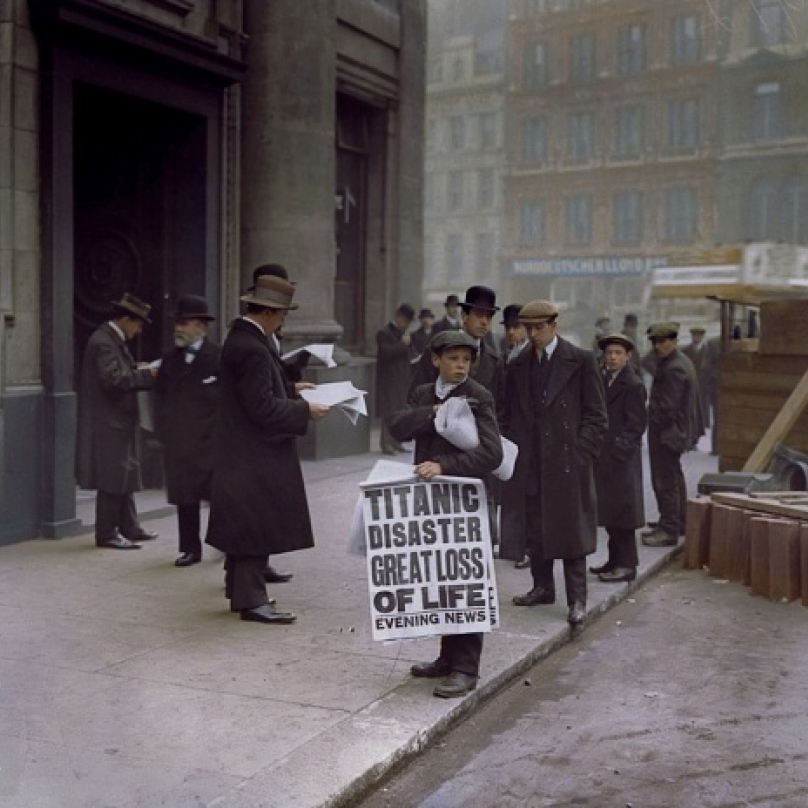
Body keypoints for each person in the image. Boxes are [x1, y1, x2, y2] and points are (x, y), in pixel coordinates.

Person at [206, 275, 330, 624]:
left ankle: (241, 592)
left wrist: (290, 387)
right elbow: (261, 408)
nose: (283, 321)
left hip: (243, 450)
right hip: (254, 453)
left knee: (247, 524)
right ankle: (252, 601)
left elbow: (256, 392)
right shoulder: (252, 347)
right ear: (270, 312)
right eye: (282, 314)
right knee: (253, 527)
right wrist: (306, 409)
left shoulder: (245, 340)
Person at [386, 330, 503, 699]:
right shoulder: (423, 393)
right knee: (440, 574)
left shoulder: (478, 397)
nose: (460, 366)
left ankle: (466, 667)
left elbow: (492, 454)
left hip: (464, 498)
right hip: (432, 501)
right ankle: (447, 657)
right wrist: (432, 413)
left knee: (465, 579)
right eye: (453, 359)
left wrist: (443, 464)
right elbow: (397, 425)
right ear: (436, 360)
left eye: (466, 360)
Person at [504, 300, 607, 625]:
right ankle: (542, 587)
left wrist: (581, 455)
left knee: (571, 532)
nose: (533, 334)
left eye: (540, 328)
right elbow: (508, 413)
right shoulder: (518, 365)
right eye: (528, 328)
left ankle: (577, 599)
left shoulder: (580, 360)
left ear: (554, 325)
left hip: (567, 462)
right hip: (532, 461)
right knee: (536, 527)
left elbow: (596, 416)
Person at [76, 292, 159, 550]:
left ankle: (128, 527)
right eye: (138, 324)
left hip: (117, 420)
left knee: (125, 474)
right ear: (125, 319)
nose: (139, 330)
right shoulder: (104, 342)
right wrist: (148, 376)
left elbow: (119, 373)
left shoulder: (110, 339)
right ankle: (107, 533)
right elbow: (114, 380)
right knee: (113, 477)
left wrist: (138, 369)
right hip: (109, 421)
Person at [154, 295, 220, 567]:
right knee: (186, 497)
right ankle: (190, 549)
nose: (178, 329)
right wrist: (162, 436)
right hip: (181, 443)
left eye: (184, 323)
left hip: (212, 442)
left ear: (201, 327)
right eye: (176, 323)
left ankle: (225, 543)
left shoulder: (219, 356)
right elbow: (161, 401)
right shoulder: (169, 360)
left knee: (220, 498)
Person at [590, 334, 647, 583]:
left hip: (622, 461)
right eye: (609, 353)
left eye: (617, 353)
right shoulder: (604, 380)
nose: (611, 357)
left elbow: (636, 425)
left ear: (628, 357)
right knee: (612, 514)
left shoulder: (632, 384)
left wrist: (618, 451)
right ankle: (614, 561)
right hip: (607, 459)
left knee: (624, 515)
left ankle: (627, 565)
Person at [641, 322, 702, 548]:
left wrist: (651, 419)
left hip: (667, 433)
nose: (658, 346)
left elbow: (667, 407)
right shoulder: (679, 361)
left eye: (663, 341)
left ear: (674, 340)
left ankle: (669, 530)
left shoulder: (673, 367)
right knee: (674, 477)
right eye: (655, 342)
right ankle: (678, 521)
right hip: (674, 432)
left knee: (665, 479)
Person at [496, 304, 530, 569]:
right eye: (508, 328)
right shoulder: (506, 354)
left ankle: (526, 548)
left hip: (526, 435)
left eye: (516, 327)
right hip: (508, 431)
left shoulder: (529, 357)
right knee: (509, 491)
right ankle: (511, 546)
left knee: (525, 493)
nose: (511, 332)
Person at [376, 303, 416, 454]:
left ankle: (396, 441)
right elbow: (386, 353)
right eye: (405, 321)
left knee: (399, 411)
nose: (406, 325)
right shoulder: (384, 333)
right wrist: (402, 345)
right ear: (399, 318)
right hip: (389, 379)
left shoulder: (403, 334)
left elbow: (409, 353)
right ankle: (385, 443)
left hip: (402, 378)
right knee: (389, 411)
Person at [683, 326, 714, 431]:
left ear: (702, 337)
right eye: (694, 336)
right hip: (689, 385)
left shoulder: (709, 351)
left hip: (704, 386)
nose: (696, 338)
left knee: (703, 410)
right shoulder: (685, 351)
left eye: (699, 336)